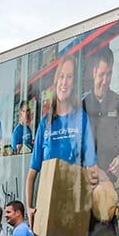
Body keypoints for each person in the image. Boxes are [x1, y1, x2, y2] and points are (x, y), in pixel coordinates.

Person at [26, 54, 98, 226]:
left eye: (69, 77)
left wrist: (95, 178)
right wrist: (29, 207)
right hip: (46, 208)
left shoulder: (81, 118)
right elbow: (32, 172)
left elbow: (91, 165)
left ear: (73, 84)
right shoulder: (46, 122)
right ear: (56, 81)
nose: (64, 82)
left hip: (73, 209)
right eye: (61, 77)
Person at [82, 46, 119, 183]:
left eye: (109, 74)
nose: (105, 80)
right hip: (86, 180)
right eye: (101, 74)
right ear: (94, 73)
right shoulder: (82, 107)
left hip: (111, 182)